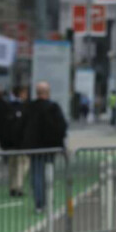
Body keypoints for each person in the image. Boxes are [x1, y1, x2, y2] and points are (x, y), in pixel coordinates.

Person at [21, 82, 68, 213]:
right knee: (48, 174)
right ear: (48, 92)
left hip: (35, 148)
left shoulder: (30, 107)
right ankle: (47, 200)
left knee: (36, 174)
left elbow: (21, 126)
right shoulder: (53, 107)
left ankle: (39, 203)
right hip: (50, 147)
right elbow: (62, 126)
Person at [2, 86, 29, 196]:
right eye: (25, 93)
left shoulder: (8, 106)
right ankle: (18, 186)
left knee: (12, 165)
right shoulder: (23, 108)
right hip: (20, 143)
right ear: (21, 93)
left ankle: (13, 186)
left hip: (10, 143)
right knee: (22, 164)